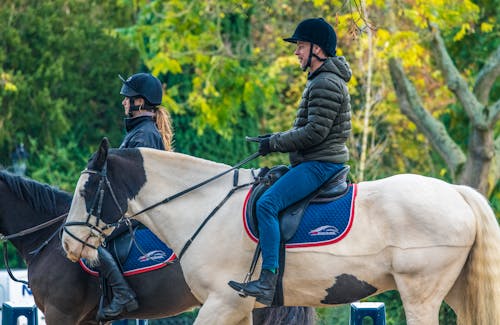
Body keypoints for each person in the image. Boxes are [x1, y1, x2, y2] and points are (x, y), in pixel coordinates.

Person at [228, 17, 352, 306]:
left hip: (321, 164)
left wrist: (275, 143)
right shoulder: (321, 81)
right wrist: (274, 137)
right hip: (315, 161)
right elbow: (307, 129)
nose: (296, 52)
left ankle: (268, 281)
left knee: (267, 204)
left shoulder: (326, 83)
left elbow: (314, 133)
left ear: (317, 50)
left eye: (301, 46)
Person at [96, 72, 174, 321]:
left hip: (141, 212)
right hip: (136, 208)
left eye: (127, 98)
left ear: (139, 102)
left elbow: (135, 184)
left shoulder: (143, 135)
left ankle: (121, 294)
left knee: (93, 239)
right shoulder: (142, 131)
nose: (123, 103)